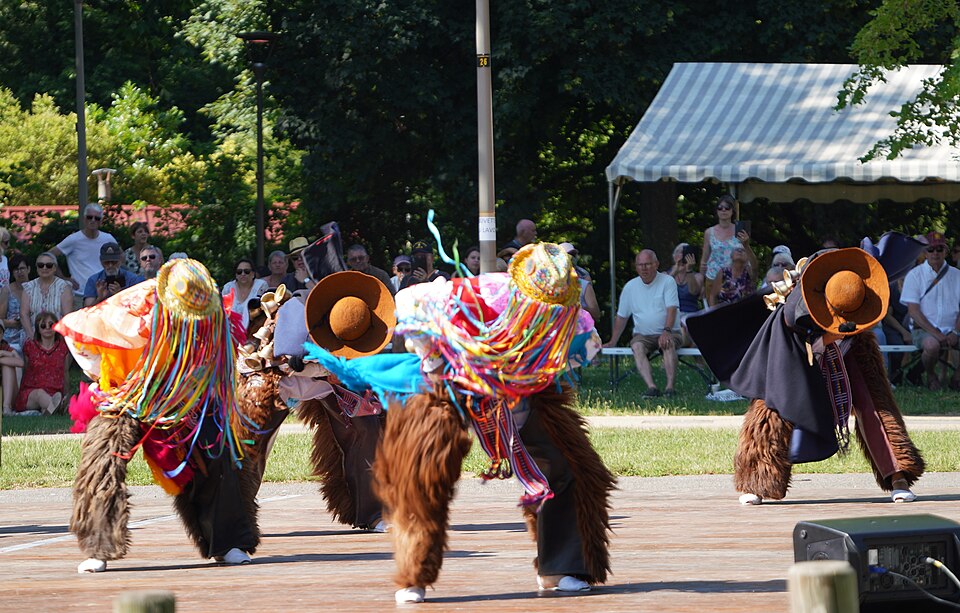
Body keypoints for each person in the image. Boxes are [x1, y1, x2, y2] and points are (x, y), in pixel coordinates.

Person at [305, 242, 613, 604]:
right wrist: (433, 357)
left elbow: (578, 356)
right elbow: (409, 305)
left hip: (514, 389)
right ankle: (414, 573)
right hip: (448, 380)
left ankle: (562, 567)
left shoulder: (571, 318)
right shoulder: (474, 295)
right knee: (421, 472)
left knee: (569, 463)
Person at [59, 258, 260, 573]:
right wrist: (101, 375)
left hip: (184, 397)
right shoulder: (130, 309)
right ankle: (99, 547)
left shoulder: (213, 315)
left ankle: (228, 542)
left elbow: (219, 368)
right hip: (127, 394)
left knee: (218, 452)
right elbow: (76, 330)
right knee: (103, 455)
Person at [687, 247, 925, 506]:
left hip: (853, 343)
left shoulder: (854, 287)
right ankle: (757, 481)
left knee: (874, 404)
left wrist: (849, 327)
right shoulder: (794, 310)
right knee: (772, 406)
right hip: (796, 347)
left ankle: (897, 475)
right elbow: (793, 340)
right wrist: (825, 337)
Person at [604, 249, 682, 398]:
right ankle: (651, 387)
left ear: (656, 264)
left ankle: (670, 387)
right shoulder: (630, 287)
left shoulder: (667, 281)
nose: (644, 268)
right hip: (643, 335)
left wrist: (666, 331)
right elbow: (621, 317)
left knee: (667, 342)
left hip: (669, 332)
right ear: (636, 266)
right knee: (637, 346)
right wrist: (613, 341)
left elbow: (671, 309)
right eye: (640, 265)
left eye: (647, 264)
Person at [900, 231, 960, 391]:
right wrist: (936, 333)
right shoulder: (914, 275)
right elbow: (913, 311)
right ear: (924, 252)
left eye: (939, 249)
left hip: (954, 329)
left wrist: (955, 331)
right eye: (931, 249)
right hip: (924, 330)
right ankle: (931, 375)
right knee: (932, 345)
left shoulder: (957, 275)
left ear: (946, 251)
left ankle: (957, 378)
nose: (935, 253)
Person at [49, 203, 118, 300]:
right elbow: (49, 255)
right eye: (90, 217)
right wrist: (63, 278)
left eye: (97, 218)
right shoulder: (74, 239)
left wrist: (113, 277)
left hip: (104, 294)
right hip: (80, 294)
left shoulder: (108, 238)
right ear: (84, 219)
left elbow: (121, 258)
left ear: (101, 221)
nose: (93, 220)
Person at [14, 311, 69, 415]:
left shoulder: (63, 347)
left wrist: (67, 393)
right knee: (40, 394)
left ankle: (49, 409)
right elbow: (25, 370)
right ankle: (60, 408)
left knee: (56, 397)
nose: (47, 328)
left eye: (51, 325)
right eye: (43, 326)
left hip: (55, 391)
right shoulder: (30, 346)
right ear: (38, 329)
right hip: (31, 393)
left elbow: (65, 372)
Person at [21, 252, 72, 340]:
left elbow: (67, 316)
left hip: (58, 336)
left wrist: (58, 339)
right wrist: (32, 336)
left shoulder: (64, 287)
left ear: (55, 268)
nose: (44, 268)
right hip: (32, 334)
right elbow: (24, 314)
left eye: (49, 265)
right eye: (41, 265)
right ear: (36, 268)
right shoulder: (28, 287)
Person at [700, 195, 742, 298]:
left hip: (733, 278)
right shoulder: (709, 232)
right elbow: (704, 261)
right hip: (712, 277)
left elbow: (745, 256)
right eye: (720, 208)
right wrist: (701, 283)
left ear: (732, 211)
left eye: (727, 208)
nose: (723, 210)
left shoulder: (739, 230)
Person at [83, 242, 144, 306]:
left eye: (114, 262)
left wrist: (120, 295)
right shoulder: (93, 280)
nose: (110, 265)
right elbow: (87, 310)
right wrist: (99, 298)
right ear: (101, 262)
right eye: (106, 262)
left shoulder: (132, 279)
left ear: (120, 260)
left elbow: (138, 306)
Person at [670, 243, 704, 346]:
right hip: (672, 315)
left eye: (685, 252)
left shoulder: (697, 276)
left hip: (690, 315)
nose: (682, 255)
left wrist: (689, 270)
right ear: (674, 256)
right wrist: (674, 272)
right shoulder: (666, 275)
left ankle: (681, 341)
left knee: (687, 325)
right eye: (679, 252)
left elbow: (693, 292)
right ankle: (688, 343)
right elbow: (659, 292)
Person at [221, 258, 268, 330]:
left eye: (247, 271)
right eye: (239, 272)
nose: (243, 274)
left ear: (253, 274)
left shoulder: (261, 286)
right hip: (231, 331)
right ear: (236, 275)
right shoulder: (228, 288)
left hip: (254, 331)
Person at [560, 242, 601, 323]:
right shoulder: (551, 285)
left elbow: (596, 314)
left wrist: (578, 308)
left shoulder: (584, 279)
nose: (571, 258)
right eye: (568, 254)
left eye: (573, 254)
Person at [0, 253, 30, 354]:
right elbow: (1, 319)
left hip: (31, 330)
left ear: (28, 269)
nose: (19, 272)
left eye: (22, 268)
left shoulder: (35, 288)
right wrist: (12, 323)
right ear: (12, 272)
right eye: (16, 269)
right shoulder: (7, 290)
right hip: (12, 333)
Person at [0, 321, 22, 414]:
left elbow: (20, 363)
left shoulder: (5, 348)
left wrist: (4, 354)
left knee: (8, 366)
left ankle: (7, 407)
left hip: (7, 395)